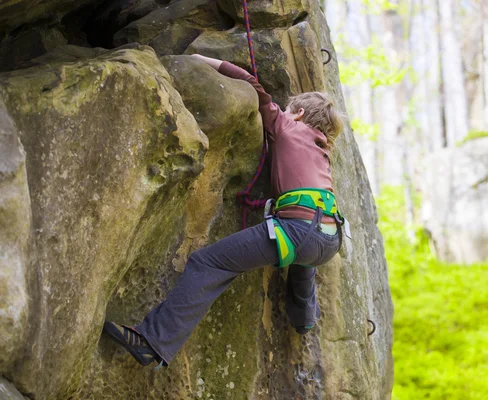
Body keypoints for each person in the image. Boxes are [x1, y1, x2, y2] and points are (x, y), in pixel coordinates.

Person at [103, 54, 346, 368]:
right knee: (303, 259)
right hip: (329, 238)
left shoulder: (289, 127)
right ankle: (305, 318)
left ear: (298, 114)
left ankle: (153, 341)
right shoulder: (323, 150)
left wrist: (201, 59)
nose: (283, 113)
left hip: (299, 232)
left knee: (208, 262)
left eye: (288, 110)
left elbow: (254, 89)